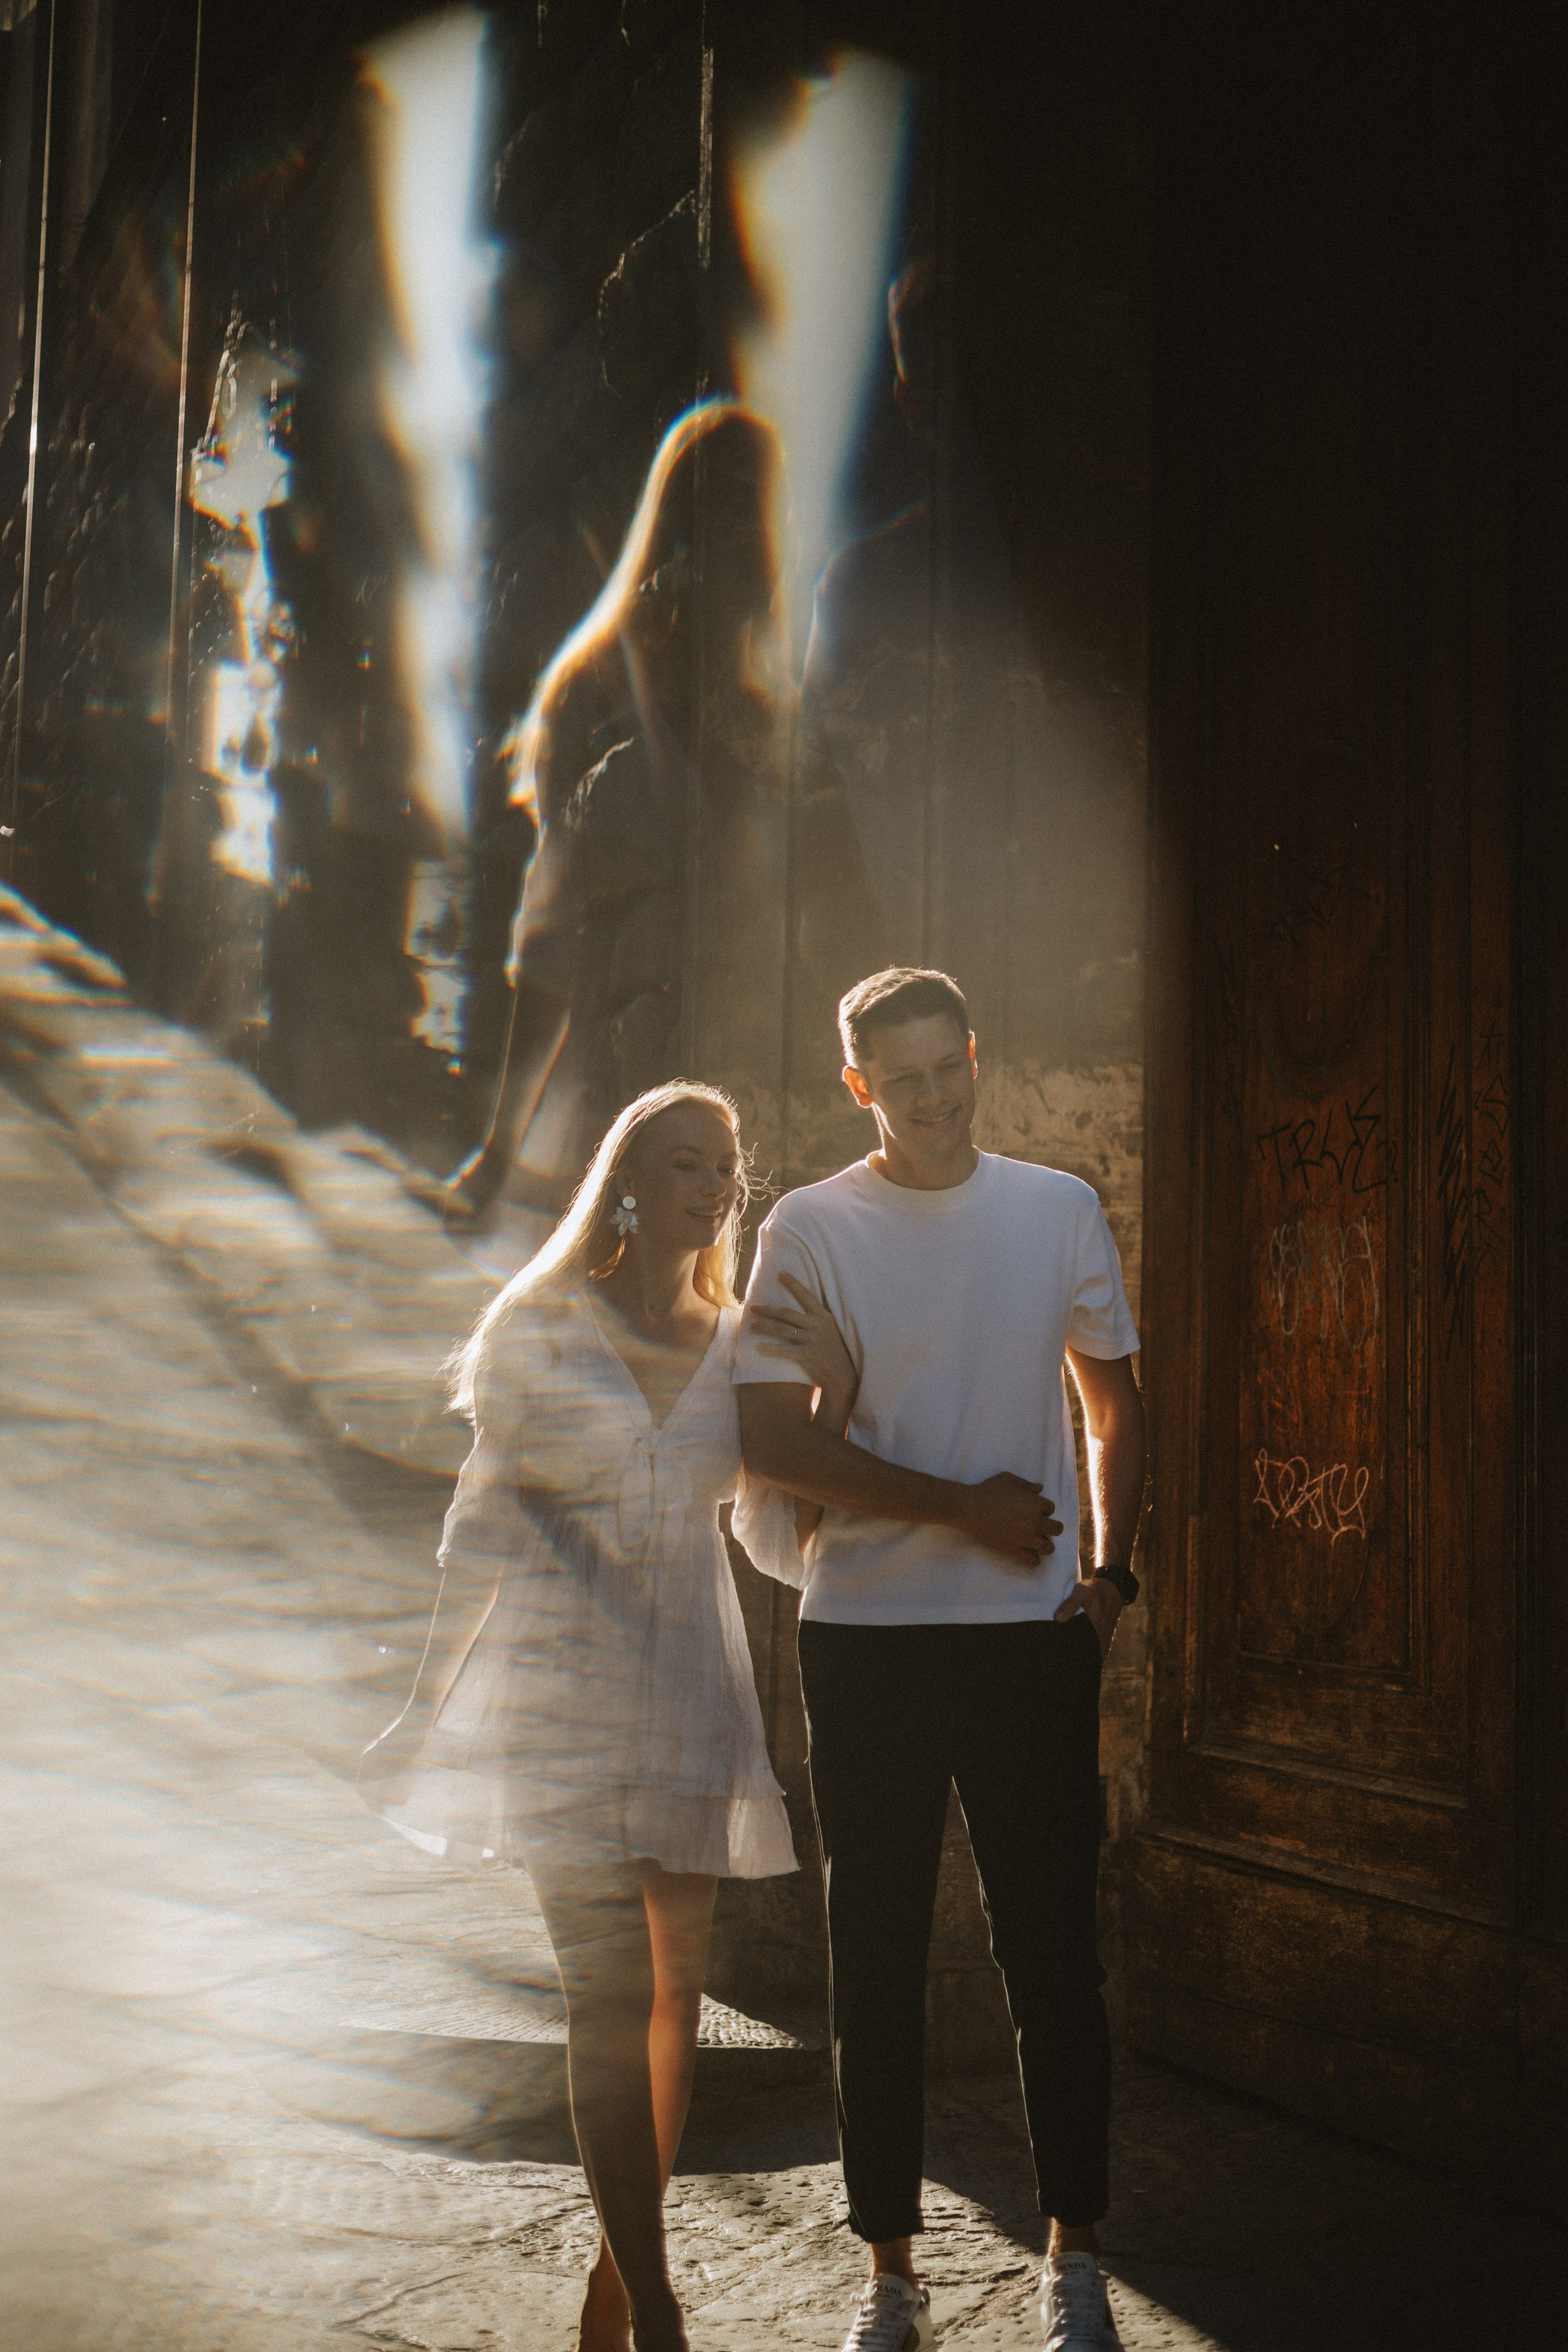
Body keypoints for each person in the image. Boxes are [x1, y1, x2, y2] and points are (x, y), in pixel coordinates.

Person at [362, 1079, 857, 2352]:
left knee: (674, 1997)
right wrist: (423, 1704)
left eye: (725, 1169)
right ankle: (661, 2305)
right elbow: (479, 1525)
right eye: (683, 1162)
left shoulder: (744, 1342)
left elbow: (776, 1534)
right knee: (607, 1989)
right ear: (627, 1182)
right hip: (560, 1690)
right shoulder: (538, 1327)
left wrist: (838, 1412)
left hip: (690, 1682)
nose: (708, 1187)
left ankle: (614, 2267)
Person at [731, 967, 1147, 2352]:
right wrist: (959, 1506)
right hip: (864, 1640)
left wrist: (1105, 1579)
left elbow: (1113, 1400)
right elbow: (771, 1442)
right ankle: (889, 2282)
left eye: (943, 1068)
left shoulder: (1054, 1208)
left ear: (975, 1054)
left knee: (1051, 1961)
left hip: (1031, 1645)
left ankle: (1072, 2264)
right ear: (859, 1086)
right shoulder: (806, 1227)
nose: (927, 1096)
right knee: (875, 1962)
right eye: (896, 1079)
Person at [446, 400, 790, 1219]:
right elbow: (554, 927)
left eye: (752, 504)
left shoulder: (762, 680)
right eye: (721, 503)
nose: (736, 528)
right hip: (628, 1034)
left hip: (733, 1024)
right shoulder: (617, 667)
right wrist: (499, 1153)